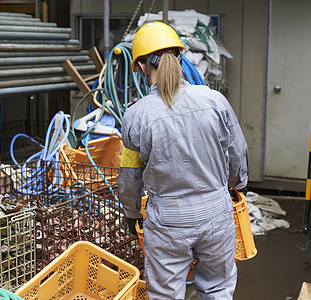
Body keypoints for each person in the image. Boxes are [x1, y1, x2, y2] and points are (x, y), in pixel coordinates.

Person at [118, 22, 249, 300]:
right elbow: (237, 153)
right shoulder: (215, 101)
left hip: (167, 221)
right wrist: (236, 185)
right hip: (216, 212)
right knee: (217, 289)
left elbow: (130, 176)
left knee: (166, 295)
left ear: (142, 67)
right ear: (180, 57)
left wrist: (132, 212)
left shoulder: (136, 115)